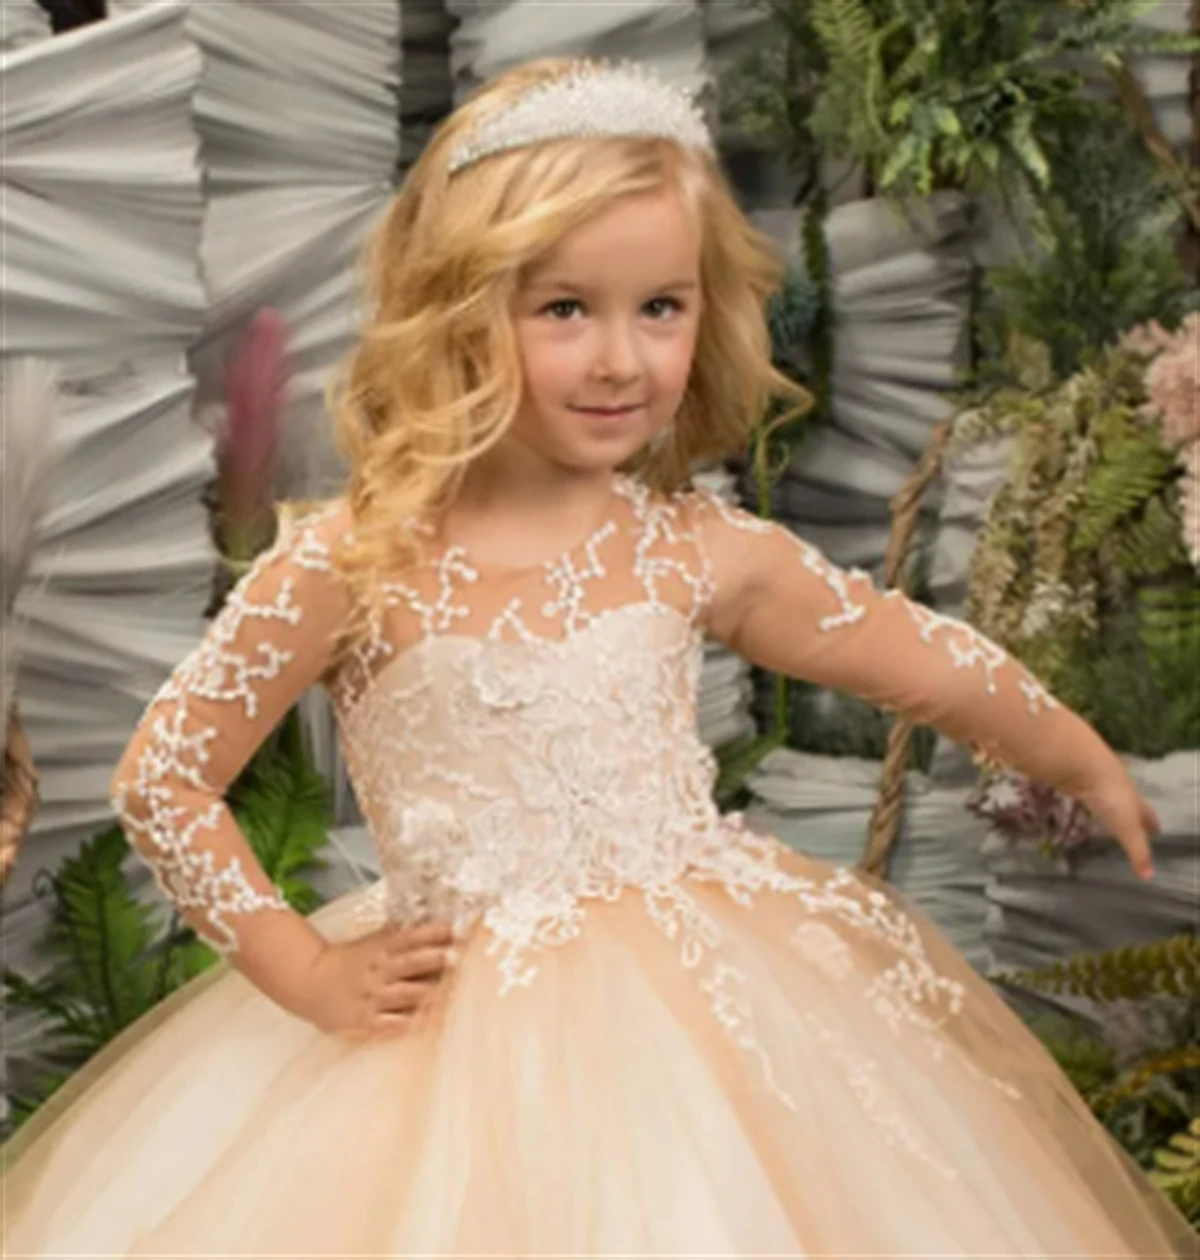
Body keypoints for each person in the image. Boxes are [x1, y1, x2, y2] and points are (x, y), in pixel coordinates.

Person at [1, 57, 1192, 1257]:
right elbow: (165, 779)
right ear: (462, 308)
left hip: (707, 1006)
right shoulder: (355, 561)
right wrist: (303, 968)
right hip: (451, 1036)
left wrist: (1076, 752)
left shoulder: (696, 548)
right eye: (565, 308)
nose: (622, 360)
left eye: (660, 308)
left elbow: (909, 656)